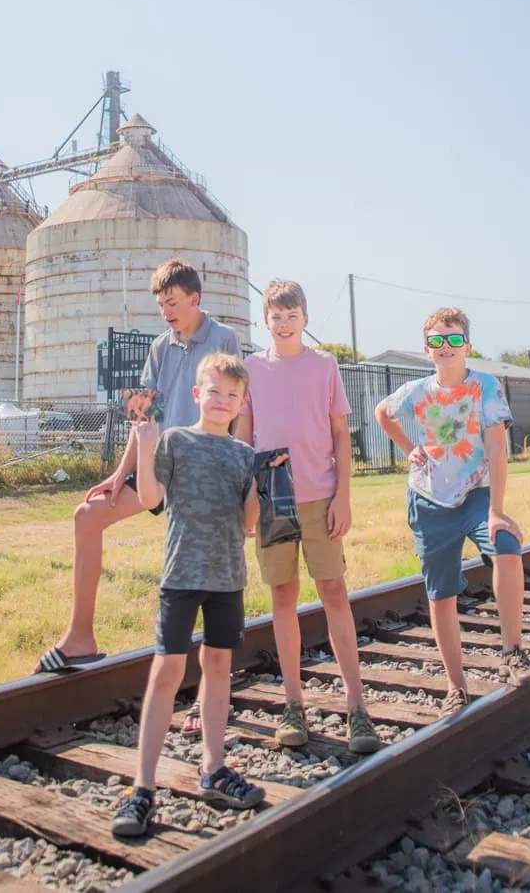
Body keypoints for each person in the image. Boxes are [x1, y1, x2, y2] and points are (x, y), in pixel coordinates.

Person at [35, 258, 240, 675]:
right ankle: (80, 637)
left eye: (172, 303)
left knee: (203, 573)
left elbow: (240, 407)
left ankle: (212, 672)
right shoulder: (159, 347)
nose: (166, 312)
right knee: (87, 516)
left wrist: (240, 468)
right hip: (158, 464)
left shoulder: (225, 338)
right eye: (161, 305)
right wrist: (118, 472)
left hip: (204, 467)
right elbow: (142, 416)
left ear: (194, 298)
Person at [111, 352, 265, 838]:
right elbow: (152, 500)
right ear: (198, 394)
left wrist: (262, 487)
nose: (222, 402)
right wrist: (145, 442)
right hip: (181, 575)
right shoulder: (175, 440)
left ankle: (214, 768)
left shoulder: (244, 454)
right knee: (167, 671)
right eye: (213, 392)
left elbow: (247, 525)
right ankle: (143, 787)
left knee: (218, 668)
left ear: (242, 403)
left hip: (227, 578)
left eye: (232, 396)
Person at [374, 307, 530, 721]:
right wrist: (407, 448)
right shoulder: (417, 390)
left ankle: (513, 654)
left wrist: (498, 511)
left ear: (467, 345)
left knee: (506, 548)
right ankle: (456, 686)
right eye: (436, 340)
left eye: (453, 339)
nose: (445, 347)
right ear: (427, 348)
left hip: (476, 496)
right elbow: (383, 413)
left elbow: (496, 449)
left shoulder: (485, 387)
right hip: (430, 500)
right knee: (441, 592)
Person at [234, 280, 381, 755]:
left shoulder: (324, 367)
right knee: (284, 595)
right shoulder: (252, 369)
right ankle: (293, 703)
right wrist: (248, 496)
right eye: (275, 316)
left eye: (291, 315)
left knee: (333, 592)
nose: (283, 323)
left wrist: (345, 496)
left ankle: (357, 707)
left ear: (305, 318)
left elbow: (341, 432)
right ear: (265, 320)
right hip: (273, 496)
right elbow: (244, 434)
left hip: (320, 496)